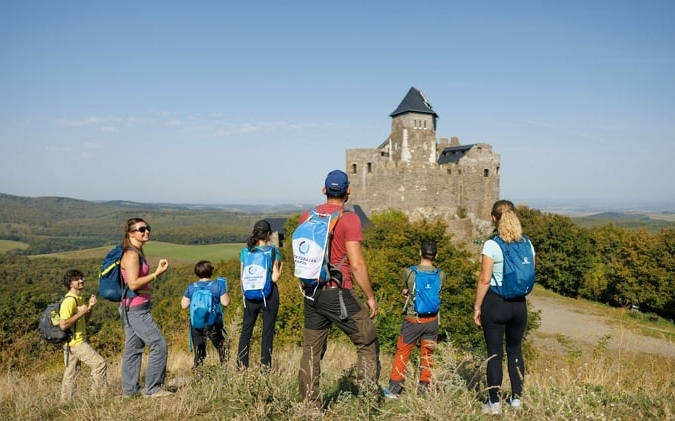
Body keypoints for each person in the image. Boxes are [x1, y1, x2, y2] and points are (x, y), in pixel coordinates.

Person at [297, 169, 380, 404]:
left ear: (324, 190)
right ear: (348, 191)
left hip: (312, 293)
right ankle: (368, 400)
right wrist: (370, 297)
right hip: (338, 292)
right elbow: (356, 265)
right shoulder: (349, 219)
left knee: (311, 351)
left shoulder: (307, 216)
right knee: (367, 339)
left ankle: (310, 406)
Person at [473, 200, 534, 414]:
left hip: (496, 303)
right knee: (516, 351)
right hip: (519, 305)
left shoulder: (492, 244)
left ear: (494, 218)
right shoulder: (527, 243)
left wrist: (477, 306)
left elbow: (484, 279)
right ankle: (516, 401)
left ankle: (494, 404)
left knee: (495, 355)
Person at [382, 240, 445, 399]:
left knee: (402, 352)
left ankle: (394, 389)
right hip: (432, 321)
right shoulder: (441, 275)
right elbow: (438, 293)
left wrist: (407, 292)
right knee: (427, 354)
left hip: (413, 319)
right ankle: (423, 389)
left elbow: (407, 290)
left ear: (420, 252)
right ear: (436, 255)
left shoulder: (409, 272)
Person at [119, 218, 172, 398]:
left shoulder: (136, 252)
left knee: (133, 349)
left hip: (131, 307)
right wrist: (156, 274)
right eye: (141, 229)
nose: (146, 231)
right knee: (159, 345)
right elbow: (133, 284)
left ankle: (130, 391)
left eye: (147, 228)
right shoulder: (132, 255)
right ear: (131, 233)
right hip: (136, 310)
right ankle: (153, 389)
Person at [236, 220, 282, 369]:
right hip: (269, 294)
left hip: (249, 293)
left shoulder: (246, 251)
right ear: (268, 234)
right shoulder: (273, 251)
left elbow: (242, 276)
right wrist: (281, 269)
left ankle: (241, 367)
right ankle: (265, 368)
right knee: (267, 331)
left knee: (246, 331)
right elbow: (274, 278)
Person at [59, 269, 107, 402]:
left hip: (70, 344)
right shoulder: (69, 301)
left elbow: (84, 321)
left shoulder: (78, 299)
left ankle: (66, 403)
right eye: (76, 279)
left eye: (81, 278)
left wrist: (89, 307)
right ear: (70, 283)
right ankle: (96, 398)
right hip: (76, 343)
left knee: (71, 374)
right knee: (100, 364)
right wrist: (81, 312)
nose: (81, 281)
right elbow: (63, 325)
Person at [181, 260, 230, 368]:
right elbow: (225, 303)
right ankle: (225, 371)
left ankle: (198, 374)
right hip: (213, 322)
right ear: (210, 272)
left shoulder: (192, 287)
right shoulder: (217, 286)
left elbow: (184, 305)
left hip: (196, 323)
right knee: (222, 348)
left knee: (199, 351)